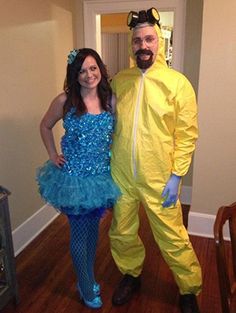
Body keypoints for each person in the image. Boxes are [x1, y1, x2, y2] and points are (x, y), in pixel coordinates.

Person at [109, 8, 202, 313]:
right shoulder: (119, 81)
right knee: (121, 230)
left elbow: (187, 134)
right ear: (131, 45)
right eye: (138, 41)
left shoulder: (177, 84)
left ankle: (188, 289)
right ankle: (130, 274)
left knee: (172, 237)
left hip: (160, 178)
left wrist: (177, 176)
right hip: (121, 174)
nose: (143, 46)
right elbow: (106, 123)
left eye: (149, 39)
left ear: (159, 42)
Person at [36, 48, 121, 309]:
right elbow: (45, 126)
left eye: (93, 68)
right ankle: (85, 287)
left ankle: (87, 277)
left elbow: (115, 136)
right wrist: (52, 154)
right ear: (74, 74)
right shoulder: (65, 101)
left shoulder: (111, 100)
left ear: (100, 69)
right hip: (73, 182)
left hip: (100, 179)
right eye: (82, 70)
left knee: (93, 234)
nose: (88, 74)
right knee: (79, 236)